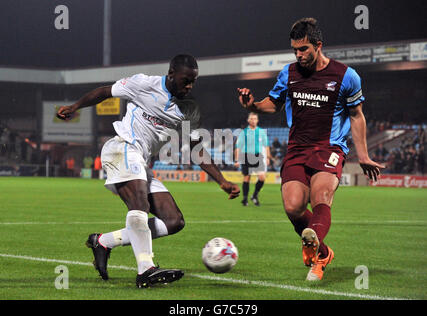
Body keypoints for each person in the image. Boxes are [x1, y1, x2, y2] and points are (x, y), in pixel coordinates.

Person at [57, 54, 240, 288]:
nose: (189, 86)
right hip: (122, 147)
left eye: (193, 81)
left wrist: (221, 181)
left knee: (174, 221)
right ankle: (146, 270)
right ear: (171, 74)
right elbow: (105, 91)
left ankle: (103, 242)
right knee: (140, 205)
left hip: (141, 161)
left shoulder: (189, 109)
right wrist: (75, 107)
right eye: (185, 80)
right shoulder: (144, 84)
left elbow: (196, 149)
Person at [237, 18, 384, 281]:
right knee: (293, 207)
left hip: (329, 148)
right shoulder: (289, 73)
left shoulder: (346, 76)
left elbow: (357, 115)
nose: (298, 55)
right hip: (297, 148)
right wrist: (252, 106)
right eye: (294, 50)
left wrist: (363, 155)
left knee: (321, 197)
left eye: (303, 49)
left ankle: (315, 249)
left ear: (318, 45)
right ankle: (323, 251)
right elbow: (273, 103)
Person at [234, 112, 270, 206]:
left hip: (258, 156)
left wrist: (268, 157)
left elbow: (266, 146)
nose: (253, 120)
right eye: (251, 118)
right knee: (247, 177)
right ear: (248, 120)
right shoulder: (244, 132)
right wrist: (237, 159)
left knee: (262, 178)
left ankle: (254, 195)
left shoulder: (261, 132)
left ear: (257, 120)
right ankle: (245, 199)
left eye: (255, 118)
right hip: (246, 156)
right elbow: (238, 146)